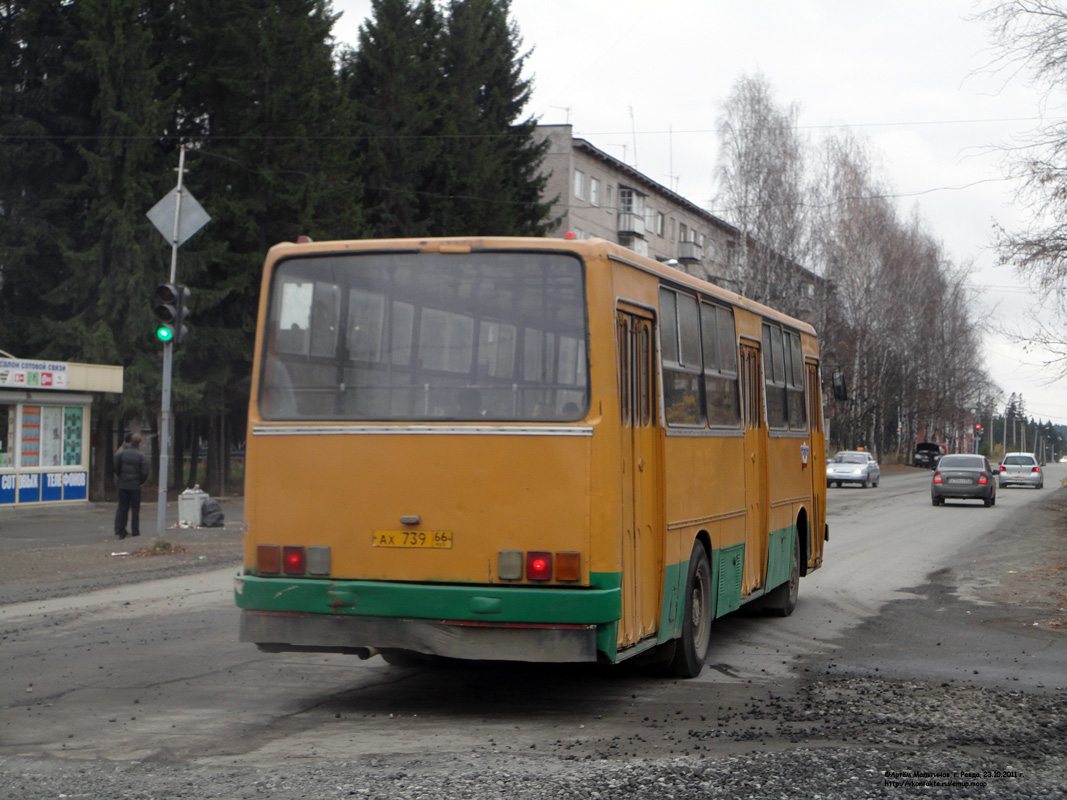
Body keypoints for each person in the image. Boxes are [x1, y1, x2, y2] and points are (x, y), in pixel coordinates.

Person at [114, 432, 149, 540]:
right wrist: (140, 481)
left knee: (123, 508)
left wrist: (122, 477)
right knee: (135, 509)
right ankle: (135, 530)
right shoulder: (141, 456)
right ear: (139, 443)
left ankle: (122, 531)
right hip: (135, 485)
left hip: (123, 484)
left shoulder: (122, 454)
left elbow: (116, 468)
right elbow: (145, 471)